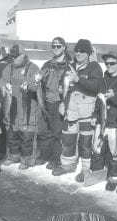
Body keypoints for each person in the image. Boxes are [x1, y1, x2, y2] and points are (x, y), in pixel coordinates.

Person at [52, 39, 103, 182]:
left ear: (88, 53)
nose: (79, 53)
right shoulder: (70, 66)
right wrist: (62, 89)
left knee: (85, 143)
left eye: (82, 51)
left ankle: (86, 170)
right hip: (71, 110)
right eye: (77, 50)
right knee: (68, 139)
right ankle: (68, 165)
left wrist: (78, 80)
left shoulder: (94, 67)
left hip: (87, 112)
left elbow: (95, 86)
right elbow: (62, 83)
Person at [90, 51, 117, 191]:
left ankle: (115, 176)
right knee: (97, 147)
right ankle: (97, 172)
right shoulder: (102, 80)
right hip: (101, 120)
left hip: (115, 122)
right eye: (106, 63)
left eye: (112, 63)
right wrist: (94, 115)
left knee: (114, 150)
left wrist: (114, 97)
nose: (109, 66)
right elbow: (98, 101)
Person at [0, 44, 40, 170]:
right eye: (12, 56)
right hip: (12, 107)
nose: (14, 58)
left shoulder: (33, 68)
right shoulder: (9, 67)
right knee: (12, 134)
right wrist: (3, 87)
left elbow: (37, 84)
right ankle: (13, 155)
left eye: (16, 56)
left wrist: (29, 86)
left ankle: (27, 159)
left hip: (28, 108)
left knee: (27, 136)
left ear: (23, 55)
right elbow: (2, 79)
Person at [34, 37, 71, 170]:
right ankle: (44, 155)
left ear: (64, 47)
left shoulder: (69, 65)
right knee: (44, 131)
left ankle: (56, 159)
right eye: (53, 46)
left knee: (57, 133)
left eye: (58, 46)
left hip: (58, 102)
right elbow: (38, 79)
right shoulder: (47, 64)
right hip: (45, 101)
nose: (55, 48)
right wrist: (36, 79)